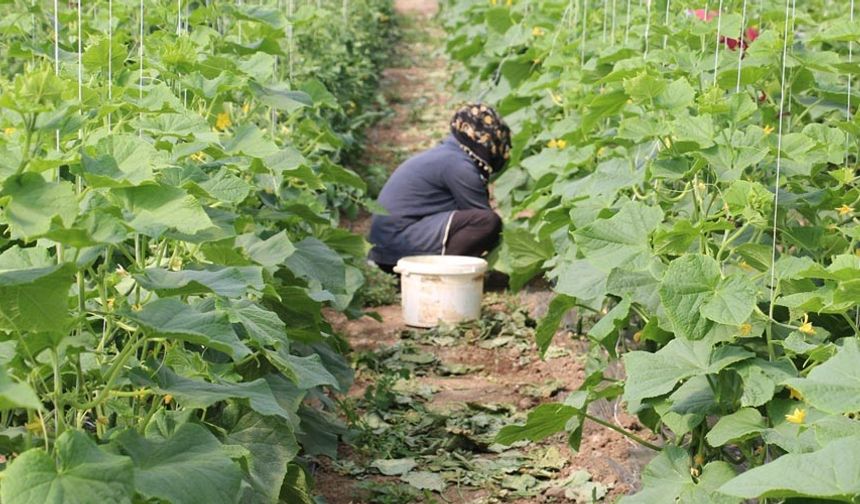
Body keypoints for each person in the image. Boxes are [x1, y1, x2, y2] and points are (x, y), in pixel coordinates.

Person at [369, 103, 511, 273]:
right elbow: (482, 218)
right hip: (399, 244)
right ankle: (443, 275)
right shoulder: (459, 165)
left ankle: (434, 270)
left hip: (387, 246)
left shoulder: (447, 154)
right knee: (487, 222)